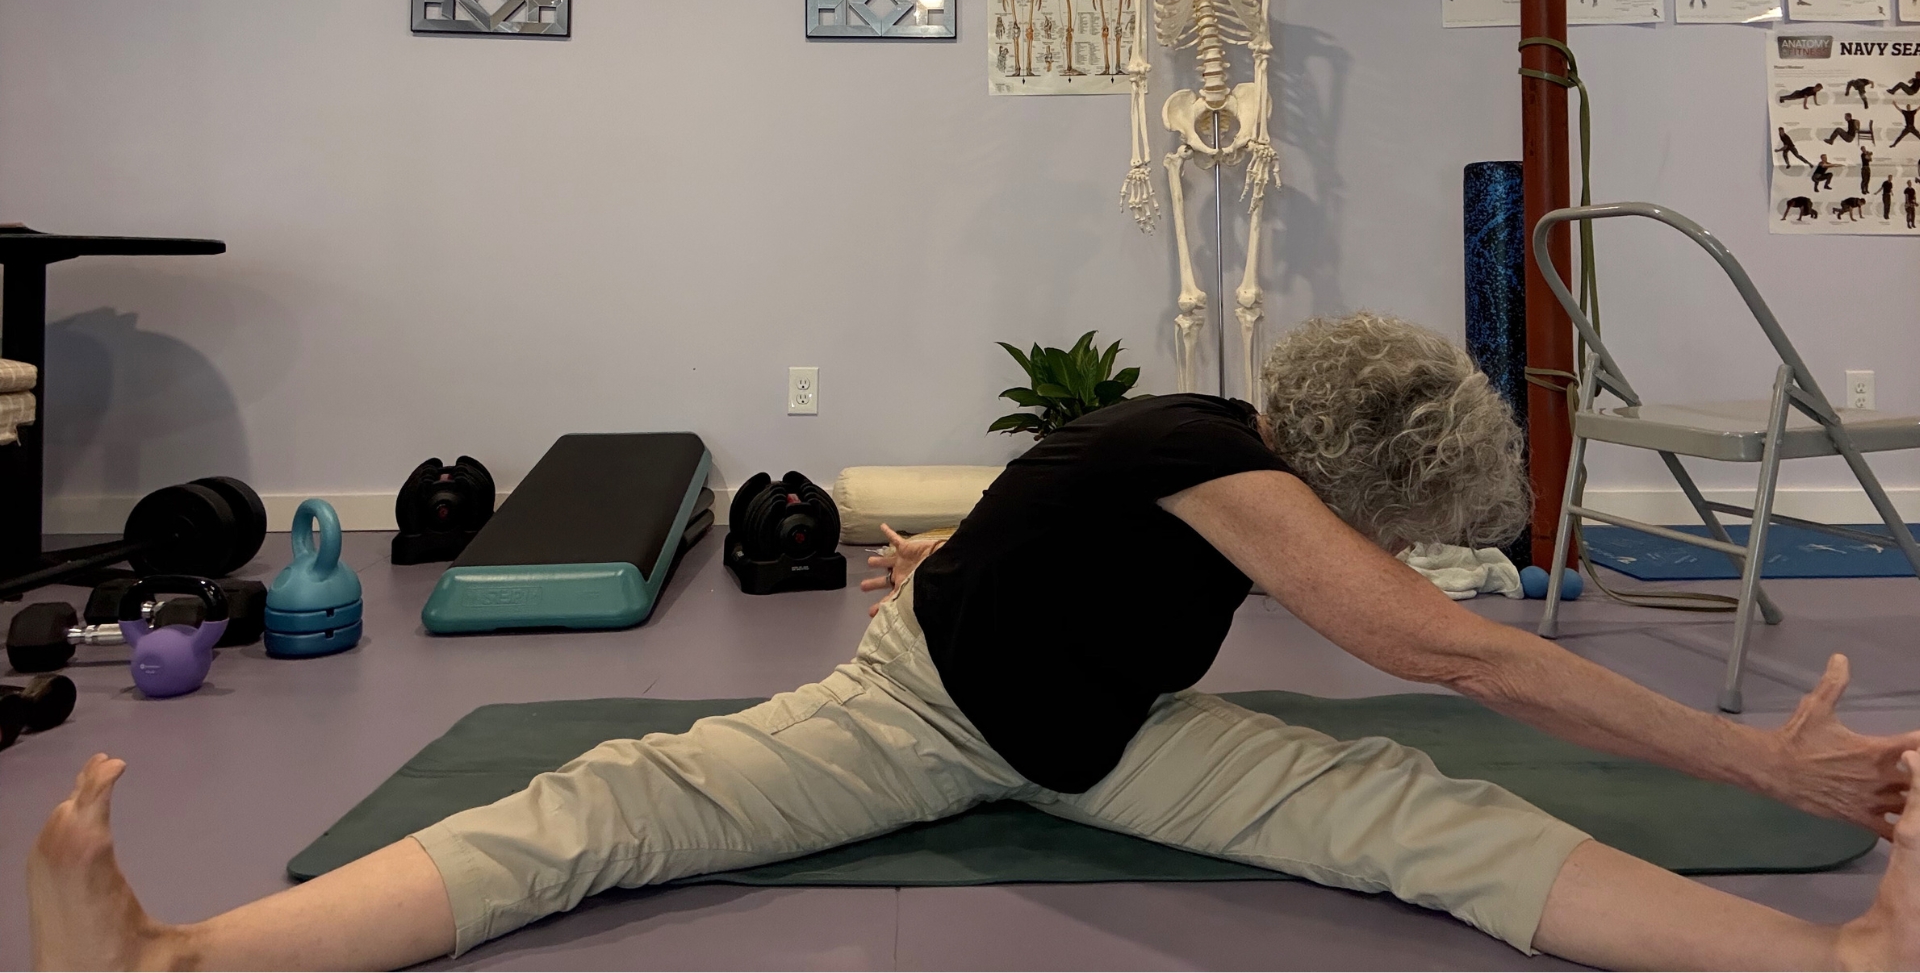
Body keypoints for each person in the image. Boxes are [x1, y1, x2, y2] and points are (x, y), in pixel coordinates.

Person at [29, 314, 1920, 971]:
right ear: (1361, 482)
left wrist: (946, 541)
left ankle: (1835, 960)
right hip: (918, 716)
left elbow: (1057, 503)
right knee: (604, 811)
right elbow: (1464, 653)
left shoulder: (1191, 427)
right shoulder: (1254, 493)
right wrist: (1765, 762)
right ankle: (181, 960)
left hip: (1107, 731)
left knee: (1425, 827)